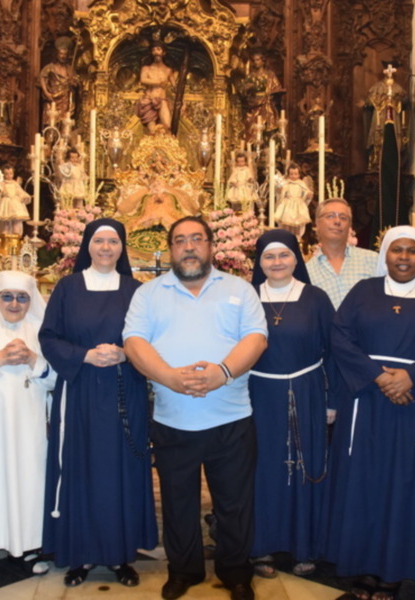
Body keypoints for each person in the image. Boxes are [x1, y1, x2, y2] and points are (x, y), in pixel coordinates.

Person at [123, 216, 268, 600]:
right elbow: (134, 341)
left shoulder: (240, 289)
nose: (188, 247)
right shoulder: (148, 293)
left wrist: (223, 372)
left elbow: (256, 337)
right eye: (180, 240)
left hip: (231, 417)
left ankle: (236, 571)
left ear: (211, 246)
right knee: (178, 501)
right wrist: (169, 377)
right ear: (170, 248)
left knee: (235, 503)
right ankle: (183, 570)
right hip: (173, 418)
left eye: (196, 239)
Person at [324, 225, 415, 600]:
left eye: (412, 251)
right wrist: (377, 377)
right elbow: (340, 337)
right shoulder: (363, 293)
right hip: (368, 402)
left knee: (407, 486)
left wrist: (412, 377)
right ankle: (365, 563)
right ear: (385, 254)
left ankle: (396, 568)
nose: (403, 257)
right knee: (366, 482)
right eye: (396, 250)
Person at [39, 218, 157, 589]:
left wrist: (126, 354)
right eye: (99, 241)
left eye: (114, 242)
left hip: (125, 392)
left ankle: (122, 555)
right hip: (81, 391)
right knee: (81, 469)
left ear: (123, 247)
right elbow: (48, 336)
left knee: (122, 471)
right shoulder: (67, 288)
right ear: (87, 245)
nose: (107, 248)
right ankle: (81, 553)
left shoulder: (137, 291)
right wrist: (84, 355)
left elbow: (152, 337)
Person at [247, 230, 335, 579]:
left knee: (305, 467)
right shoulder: (247, 296)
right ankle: (262, 546)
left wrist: (332, 400)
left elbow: (334, 351)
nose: (277, 262)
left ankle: (306, 546)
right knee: (261, 469)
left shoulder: (315, 298)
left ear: (296, 258)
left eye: (284, 255)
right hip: (258, 396)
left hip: (307, 391)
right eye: (269, 256)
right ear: (259, 262)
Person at [0, 271, 57, 580]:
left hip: (28, 421)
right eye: (7, 296)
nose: (15, 304)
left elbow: (57, 377)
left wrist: (34, 360)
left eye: (22, 297)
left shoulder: (41, 328)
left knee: (27, 478)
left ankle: (28, 548)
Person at [306, 198, 378, 309]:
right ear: (317, 223)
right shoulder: (308, 272)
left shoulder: (372, 260)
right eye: (330, 216)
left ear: (349, 225)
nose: (337, 221)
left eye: (343, 218)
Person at [241, 51, 283, 145]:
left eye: (258, 60)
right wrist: (247, 88)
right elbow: (243, 93)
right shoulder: (250, 76)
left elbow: (277, 88)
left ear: (263, 61)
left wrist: (271, 94)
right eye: (254, 60)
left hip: (266, 105)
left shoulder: (270, 75)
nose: (256, 62)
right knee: (252, 129)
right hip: (253, 106)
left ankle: (269, 148)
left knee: (269, 128)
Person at [136, 41, 177, 135]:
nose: (156, 52)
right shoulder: (146, 68)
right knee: (152, 130)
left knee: (167, 126)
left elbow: (175, 87)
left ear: (163, 52)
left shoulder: (168, 70)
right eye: (153, 50)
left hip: (162, 100)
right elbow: (143, 79)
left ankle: (168, 147)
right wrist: (159, 82)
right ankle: (152, 148)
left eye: (158, 49)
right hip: (149, 100)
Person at [39, 36, 79, 126]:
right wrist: (46, 92)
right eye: (61, 54)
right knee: (51, 122)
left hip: (65, 100)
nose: (63, 56)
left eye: (65, 54)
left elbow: (76, 83)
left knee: (65, 123)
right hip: (53, 98)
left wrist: (73, 83)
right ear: (57, 54)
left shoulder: (70, 69)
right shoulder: (50, 67)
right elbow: (42, 77)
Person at [0, 166, 31, 241]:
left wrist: (25, 196)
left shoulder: (15, 183)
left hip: (15, 205)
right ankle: (4, 241)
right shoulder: (1, 183)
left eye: (11, 173)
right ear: (3, 174)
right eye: (7, 174)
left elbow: (20, 192)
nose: (9, 176)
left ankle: (15, 240)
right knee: (5, 225)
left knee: (16, 224)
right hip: (5, 205)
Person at [275, 164, 313, 241]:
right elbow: (281, 193)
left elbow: (306, 192)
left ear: (299, 174)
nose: (293, 176)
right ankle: (286, 236)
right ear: (288, 174)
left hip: (298, 205)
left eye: (295, 174)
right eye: (291, 174)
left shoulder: (301, 184)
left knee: (297, 222)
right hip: (288, 205)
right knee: (287, 221)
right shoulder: (286, 183)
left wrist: (308, 194)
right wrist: (280, 190)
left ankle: (297, 238)